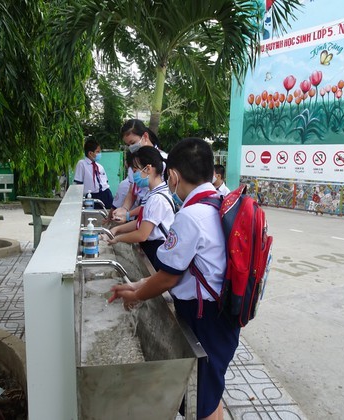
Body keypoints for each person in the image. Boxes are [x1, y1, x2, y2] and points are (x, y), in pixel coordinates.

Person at [109, 138, 239, 420]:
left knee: (200, 400)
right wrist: (138, 284)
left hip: (204, 320)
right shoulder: (218, 204)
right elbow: (187, 271)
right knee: (209, 392)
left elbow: (168, 278)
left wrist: (136, 295)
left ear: (174, 175)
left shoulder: (191, 216)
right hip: (223, 316)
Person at [106, 147, 175, 269]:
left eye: (136, 170)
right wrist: (117, 230)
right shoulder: (152, 193)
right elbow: (142, 222)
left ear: (148, 169)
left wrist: (118, 239)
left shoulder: (157, 199)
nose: (134, 175)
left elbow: (142, 234)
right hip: (151, 246)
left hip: (156, 249)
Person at [112, 119, 166, 222]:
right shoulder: (135, 161)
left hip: (156, 217)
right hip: (140, 215)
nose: (131, 148)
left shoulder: (163, 160)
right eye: (128, 145)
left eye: (133, 143)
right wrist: (124, 209)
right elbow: (132, 191)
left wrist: (128, 214)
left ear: (145, 136)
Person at [73, 139, 114, 209]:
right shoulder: (82, 164)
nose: (99, 154)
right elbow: (78, 183)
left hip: (105, 193)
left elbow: (105, 182)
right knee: (92, 215)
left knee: (108, 214)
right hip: (91, 195)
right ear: (90, 153)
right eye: (97, 152)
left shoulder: (99, 166)